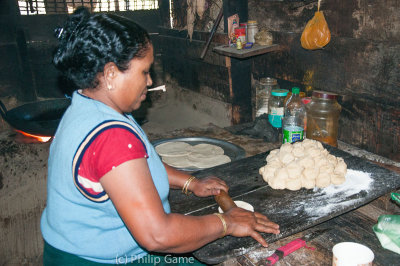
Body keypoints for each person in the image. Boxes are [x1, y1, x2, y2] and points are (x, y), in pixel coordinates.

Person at [40, 7, 280, 265]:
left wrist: (190, 183)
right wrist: (226, 222)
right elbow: (158, 235)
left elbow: (139, 166)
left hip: (70, 251)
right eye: (144, 71)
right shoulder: (111, 136)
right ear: (110, 74)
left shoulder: (89, 107)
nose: (150, 80)